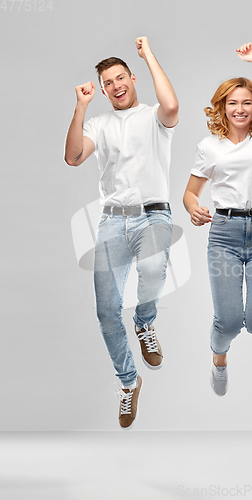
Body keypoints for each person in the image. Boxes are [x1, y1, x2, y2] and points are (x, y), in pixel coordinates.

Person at [64, 37, 179, 427]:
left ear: (132, 78)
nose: (115, 86)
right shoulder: (98, 122)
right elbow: (73, 157)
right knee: (105, 311)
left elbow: (173, 106)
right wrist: (80, 107)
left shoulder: (153, 117)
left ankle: (145, 321)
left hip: (153, 215)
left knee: (152, 270)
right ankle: (129, 382)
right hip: (112, 220)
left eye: (120, 77)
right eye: (106, 82)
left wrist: (148, 55)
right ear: (103, 89)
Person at [183, 42, 252, 396]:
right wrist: (191, 207)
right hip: (224, 235)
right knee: (228, 322)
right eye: (233, 102)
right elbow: (190, 192)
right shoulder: (209, 146)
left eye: (247, 102)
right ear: (222, 107)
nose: (240, 108)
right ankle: (219, 359)